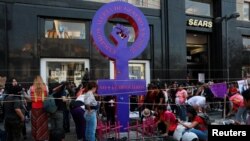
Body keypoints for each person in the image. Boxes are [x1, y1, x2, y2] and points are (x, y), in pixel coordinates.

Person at [27, 76, 49, 141]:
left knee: (35, 123)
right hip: (43, 108)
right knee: (43, 123)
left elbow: (29, 98)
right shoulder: (46, 87)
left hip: (34, 108)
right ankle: (43, 137)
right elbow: (47, 96)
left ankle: (36, 137)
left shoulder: (31, 88)